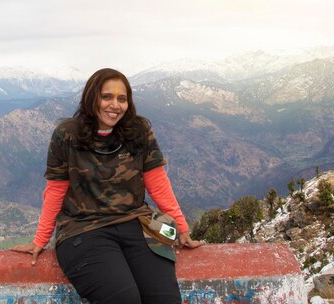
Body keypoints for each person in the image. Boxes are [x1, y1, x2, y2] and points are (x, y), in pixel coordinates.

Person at [11, 68, 204, 304]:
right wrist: (40, 240)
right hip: (82, 229)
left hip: (137, 223)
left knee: (164, 299)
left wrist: (182, 229)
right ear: (92, 98)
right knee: (123, 299)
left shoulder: (139, 132)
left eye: (122, 99)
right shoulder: (67, 135)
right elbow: (56, 190)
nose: (115, 105)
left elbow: (158, 184)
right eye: (107, 97)